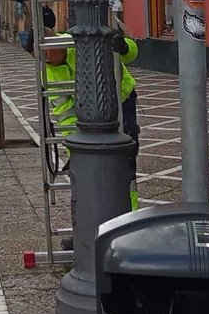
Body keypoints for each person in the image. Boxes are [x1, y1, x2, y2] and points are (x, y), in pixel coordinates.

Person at [37, 22, 141, 234]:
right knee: (91, 173)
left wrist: (123, 46)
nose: (47, 60)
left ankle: (131, 222)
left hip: (122, 102)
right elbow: (64, 114)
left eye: (47, 54)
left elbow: (130, 54)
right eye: (41, 58)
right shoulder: (48, 72)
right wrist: (72, 150)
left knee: (125, 164)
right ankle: (89, 230)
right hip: (88, 118)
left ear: (56, 42)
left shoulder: (82, 41)